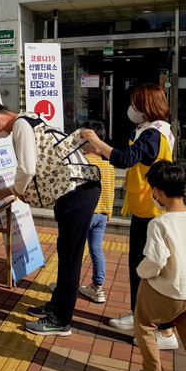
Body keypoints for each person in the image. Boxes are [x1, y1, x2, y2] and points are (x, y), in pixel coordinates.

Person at [0, 100, 101, 336]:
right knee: (65, 253)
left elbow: (27, 169)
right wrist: (7, 192)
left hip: (77, 192)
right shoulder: (31, 118)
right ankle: (56, 306)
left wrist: (20, 191)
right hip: (76, 191)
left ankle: (61, 320)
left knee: (70, 258)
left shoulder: (21, 125)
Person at [81, 83, 178, 349]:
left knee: (154, 272)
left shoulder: (154, 135)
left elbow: (126, 158)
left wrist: (97, 142)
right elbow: (124, 155)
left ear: (146, 106)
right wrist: (100, 149)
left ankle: (166, 333)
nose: (132, 108)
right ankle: (138, 313)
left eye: (136, 103)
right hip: (143, 209)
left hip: (154, 213)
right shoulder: (147, 130)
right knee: (138, 267)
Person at [125, 161, 186, 371]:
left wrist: (141, 272)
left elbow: (155, 261)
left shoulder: (160, 223)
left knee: (144, 325)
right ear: (184, 191)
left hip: (167, 291)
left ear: (157, 192)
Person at [78, 120, 115, 303]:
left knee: (74, 250)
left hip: (85, 214)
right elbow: (110, 191)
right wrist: (108, 213)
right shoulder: (109, 166)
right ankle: (97, 287)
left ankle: (66, 284)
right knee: (96, 250)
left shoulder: (82, 164)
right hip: (102, 216)